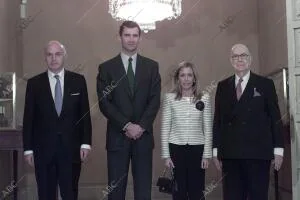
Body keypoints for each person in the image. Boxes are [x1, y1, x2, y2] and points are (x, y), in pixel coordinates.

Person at [97, 21, 161, 200]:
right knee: (116, 193)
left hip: (143, 138)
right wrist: (126, 125)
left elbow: (155, 100)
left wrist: (140, 126)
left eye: (135, 35)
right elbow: (105, 103)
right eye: (127, 35)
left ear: (140, 38)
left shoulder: (152, 67)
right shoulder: (106, 68)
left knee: (143, 192)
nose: (131, 39)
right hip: (118, 138)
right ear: (120, 37)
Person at [212, 44, 284, 200]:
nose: (240, 59)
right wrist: (215, 150)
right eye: (235, 56)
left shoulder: (265, 84)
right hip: (231, 154)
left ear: (250, 59)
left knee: (258, 196)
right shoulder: (222, 86)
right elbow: (218, 120)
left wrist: (278, 149)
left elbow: (275, 118)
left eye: (243, 55)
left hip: (258, 154)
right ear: (231, 60)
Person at [23, 40, 92, 200]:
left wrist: (86, 143)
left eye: (58, 54)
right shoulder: (34, 84)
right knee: (45, 194)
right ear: (45, 58)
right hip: (43, 151)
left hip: (72, 149)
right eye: (49, 55)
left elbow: (85, 115)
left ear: (64, 56)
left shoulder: (78, 81)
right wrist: (28, 149)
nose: (53, 58)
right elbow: (29, 118)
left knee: (70, 193)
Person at [161, 61, 212, 200]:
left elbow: (208, 128)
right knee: (179, 192)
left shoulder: (204, 98)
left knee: (197, 192)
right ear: (178, 78)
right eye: (182, 75)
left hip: (198, 150)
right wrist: (166, 156)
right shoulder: (169, 98)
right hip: (176, 149)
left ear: (194, 78)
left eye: (190, 75)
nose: (186, 79)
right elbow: (165, 127)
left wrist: (206, 155)